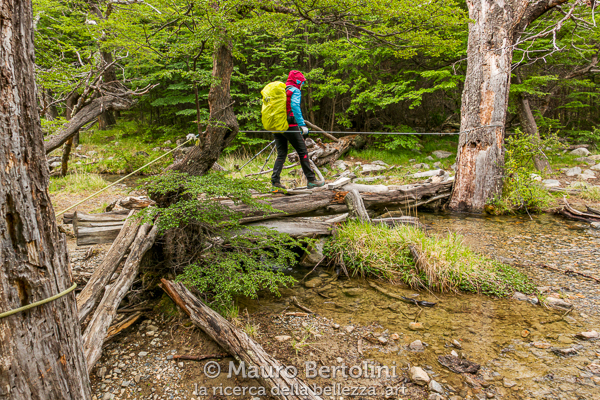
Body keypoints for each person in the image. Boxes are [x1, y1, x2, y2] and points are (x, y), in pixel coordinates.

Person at [271, 70, 324, 190]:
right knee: (302, 151)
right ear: (298, 81)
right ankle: (311, 180)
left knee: (281, 154)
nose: (303, 85)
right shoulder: (295, 90)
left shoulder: (281, 91)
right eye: (302, 83)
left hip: (277, 126)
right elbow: (294, 106)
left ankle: (275, 183)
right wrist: (302, 125)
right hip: (290, 126)